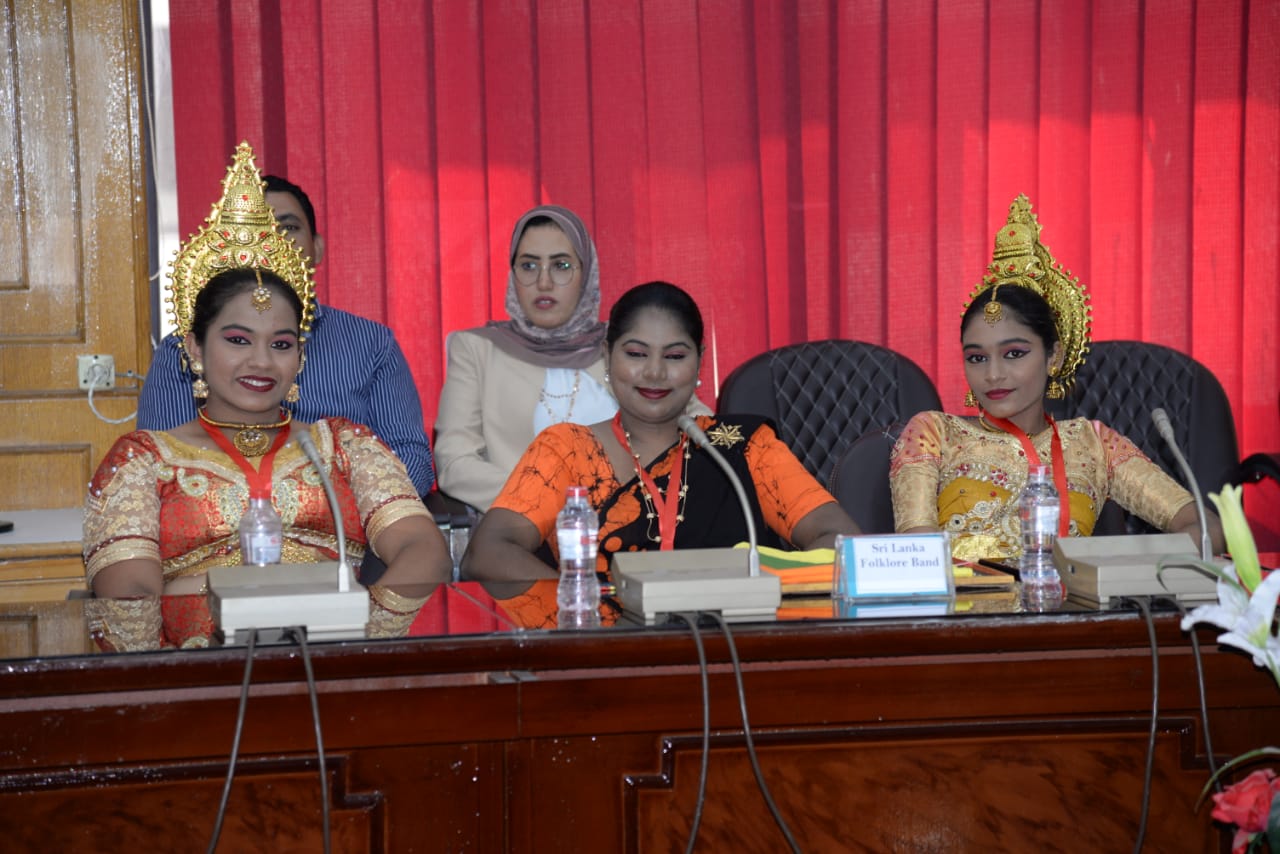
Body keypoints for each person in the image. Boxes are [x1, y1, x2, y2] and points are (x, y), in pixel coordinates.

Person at [83, 142, 451, 642]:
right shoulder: (143, 460)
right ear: (194, 347)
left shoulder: (343, 446)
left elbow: (423, 550)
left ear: (300, 355)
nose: (260, 362)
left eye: (280, 344)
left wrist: (361, 635)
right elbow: (129, 595)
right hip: (200, 670)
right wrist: (281, 594)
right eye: (237, 340)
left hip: (327, 658)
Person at [462, 280, 861, 593]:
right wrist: (590, 603)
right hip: (605, 648)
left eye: (675, 356)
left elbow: (842, 540)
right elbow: (488, 552)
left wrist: (759, 591)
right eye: (636, 354)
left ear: (700, 361)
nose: (654, 373)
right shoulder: (566, 449)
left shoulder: (738, 448)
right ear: (607, 356)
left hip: (732, 646)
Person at [890, 195, 1224, 561]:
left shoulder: (1094, 445)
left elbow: (1208, 530)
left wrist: (1122, 565)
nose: (993, 374)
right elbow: (916, 556)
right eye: (977, 358)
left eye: (1014, 353)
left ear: (1054, 356)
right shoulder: (933, 434)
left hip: (1068, 598)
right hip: (966, 598)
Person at [137, 174, 436, 497]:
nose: (272, 241)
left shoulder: (372, 344)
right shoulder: (184, 348)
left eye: (288, 227)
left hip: (346, 519)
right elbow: (163, 464)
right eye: (256, 228)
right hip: (219, 519)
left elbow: (411, 461)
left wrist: (324, 508)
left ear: (317, 248)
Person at [434, 205, 710, 512]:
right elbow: (455, 463)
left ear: (586, 272)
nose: (543, 282)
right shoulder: (477, 350)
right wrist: (559, 500)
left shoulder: (624, 348)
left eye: (561, 266)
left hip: (639, 521)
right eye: (528, 265)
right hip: (522, 525)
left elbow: (704, 435)